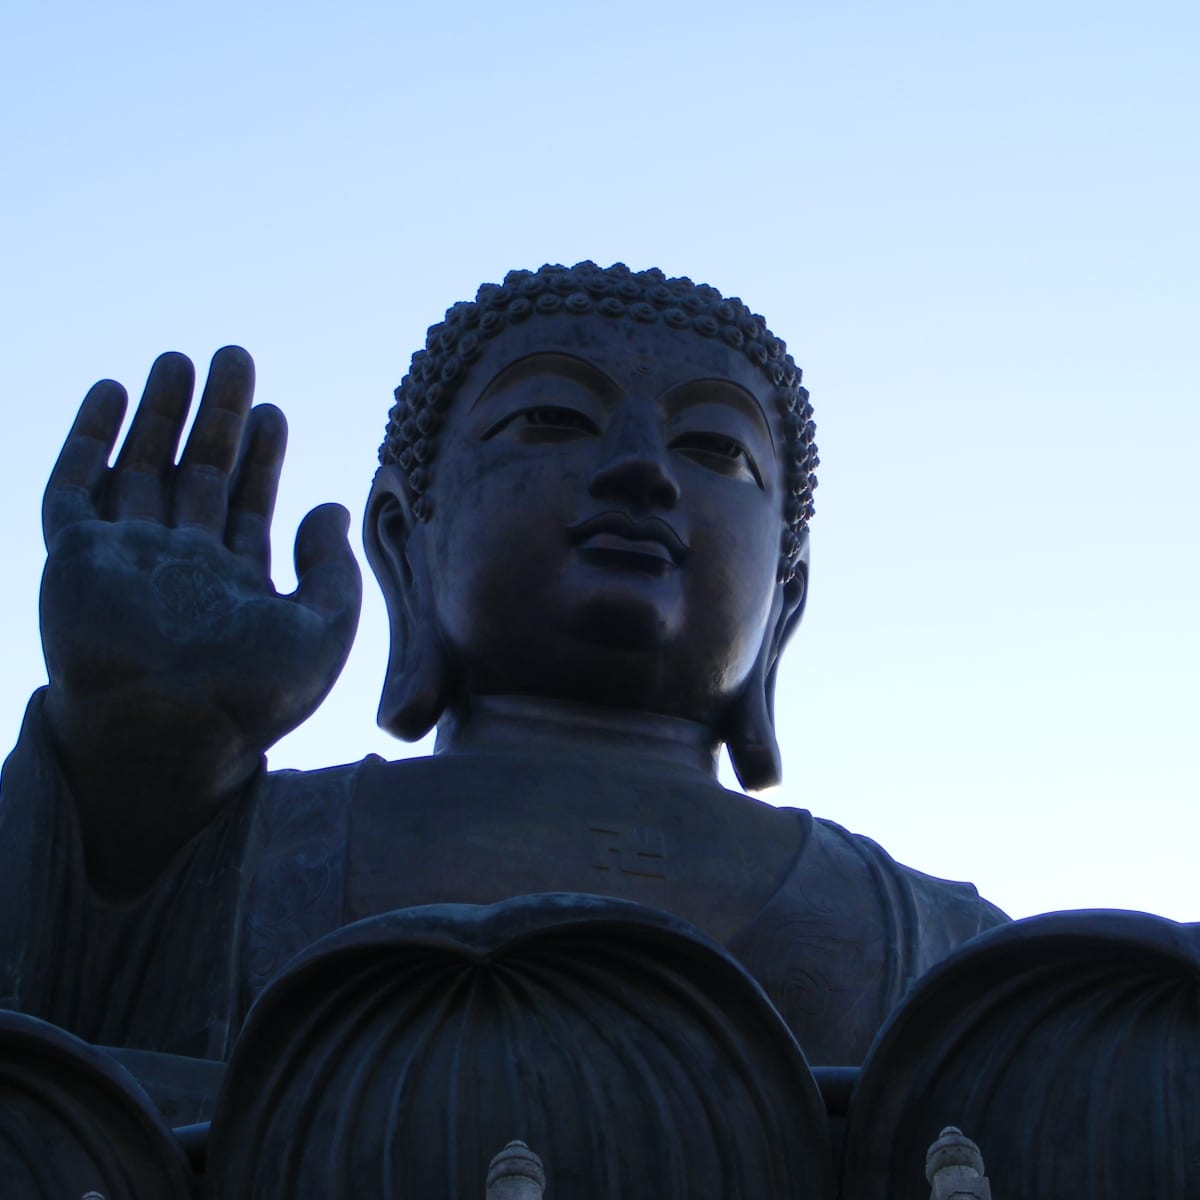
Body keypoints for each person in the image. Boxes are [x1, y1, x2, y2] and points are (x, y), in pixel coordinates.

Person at [0, 262, 1005, 1070]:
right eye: (551, 420)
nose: (644, 470)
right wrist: (134, 775)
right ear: (403, 540)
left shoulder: (953, 953)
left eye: (716, 449)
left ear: (786, 595)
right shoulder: (223, 858)